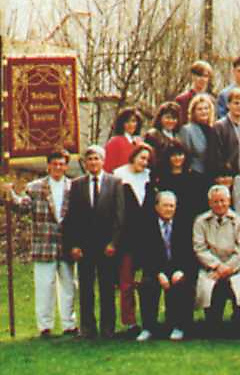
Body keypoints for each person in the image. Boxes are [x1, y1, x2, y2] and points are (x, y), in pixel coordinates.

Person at [2, 150, 77, 337]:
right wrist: (9, 193)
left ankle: (69, 324)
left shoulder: (74, 187)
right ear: (48, 166)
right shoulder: (35, 187)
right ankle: (45, 326)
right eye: (54, 164)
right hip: (44, 244)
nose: (58, 167)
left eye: (61, 164)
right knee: (44, 287)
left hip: (67, 245)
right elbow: (22, 206)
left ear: (66, 166)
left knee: (69, 287)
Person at [62, 145, 125, 339]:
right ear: (85, 163)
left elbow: (120, 216)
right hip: (85, 245)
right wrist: (73, 245)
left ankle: (108, 328)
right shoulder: (77, 184)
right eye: (89, 159)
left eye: (96, 158)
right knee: (86, 289)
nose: (93, 162)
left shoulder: (115, 183)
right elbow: (72, 217)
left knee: (107, 288)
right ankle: (88, 327)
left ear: (103, 161)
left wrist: (114, 242)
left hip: (107, 245)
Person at [134, 191, 196, 341]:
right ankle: (148, 328)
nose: (169, 209)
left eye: (172, 206)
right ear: (157, 207)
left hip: (178, 268)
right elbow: (145, 254)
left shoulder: (184, 224)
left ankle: (178, 326)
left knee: (182, 284)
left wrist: (181, 271)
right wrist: (158, 273)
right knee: (147, 284)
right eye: (165, 205)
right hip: (156, 269)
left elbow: (189, 252)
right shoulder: (147, 225)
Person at [192, 185, 240, 336]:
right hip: (210, 268)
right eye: (215, 201)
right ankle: (212, 321)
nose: (219, 204)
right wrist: (217, 266)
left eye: (223, 201)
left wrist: (228, 268)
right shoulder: (200, 221)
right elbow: (199, 248)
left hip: (235, 267)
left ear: (229, 201)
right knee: (207, 287)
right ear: (209, 203)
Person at [113, 143, 157, 335]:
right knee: (127, 282)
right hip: (126, 236)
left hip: (146, 236)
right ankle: (129, 322)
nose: (144, 162)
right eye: (142, 158)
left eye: (147, 159)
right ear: (133, 156)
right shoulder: (119, 175)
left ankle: (149, 320)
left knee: (148, 280)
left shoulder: (149, 177)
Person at [152, 141, 207, 223]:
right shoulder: (162, 179)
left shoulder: (196, 177)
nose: (177, 158)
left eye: (180, 154)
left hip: (192, 219)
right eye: (173, 155)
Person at [212, 87, 240, 181]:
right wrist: (222, 175)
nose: (239, 106)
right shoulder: (219, 126)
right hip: (225, 177)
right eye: (236, 103)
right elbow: (216, 155)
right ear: (228, 105)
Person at [180, 93, 222, 180]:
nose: (203, 111)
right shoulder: (187, 130)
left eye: (206, 108)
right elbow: (185, 157)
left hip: (212, 176)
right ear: (193, 112)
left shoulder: (214, 130)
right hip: (195, 175)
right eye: (199, 109)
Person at [103, 107, 144, 173]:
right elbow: (107, 167)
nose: (130, 124)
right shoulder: (115, 142)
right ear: (121, 124)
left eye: (133, 121)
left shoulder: (140, 142)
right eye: (127, 121)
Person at [143, 101, 183, 168]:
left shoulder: (177, 136)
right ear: (160, 118)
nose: (171, 121)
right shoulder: (153, 135)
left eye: (174, 118)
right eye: (168, 117)